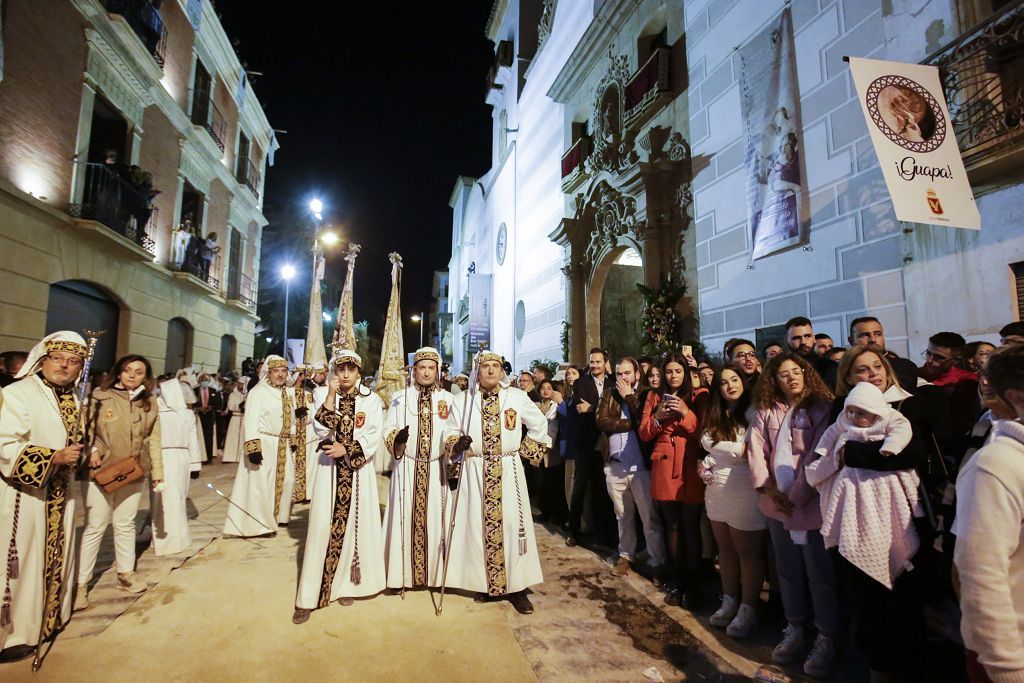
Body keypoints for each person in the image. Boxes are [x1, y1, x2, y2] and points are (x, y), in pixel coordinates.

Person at [807, 379, 928, 681]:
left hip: (890, 512)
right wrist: (828, 459)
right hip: (853, 509)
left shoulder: (894, 417)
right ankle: (876, 668)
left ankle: (902, 667)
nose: (859, 418)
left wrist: (882, 451)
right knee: (867, 606)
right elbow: (828, 446)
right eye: (854, 412)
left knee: (897, 607)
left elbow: (903, 441)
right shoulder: (842, 423)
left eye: (865, 413)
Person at [747, 352, 839, 676]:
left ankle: (826, 635)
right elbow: (756, 449)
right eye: (783, 374)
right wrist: (769, 490)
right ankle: (795, 626)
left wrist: (798, 494)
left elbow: (819, 453)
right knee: (786, 571)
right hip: (777, 505)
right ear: (774, 380)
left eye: (796, 371)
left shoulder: (821, 408)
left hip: (811, 504)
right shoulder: (766, 410)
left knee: (820, 574)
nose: (792, 378)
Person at [442, 350, 551, 615]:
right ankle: (486, 583)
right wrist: (458, 443)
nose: (490, 371)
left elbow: (539, 424)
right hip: (476, 468)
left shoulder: (516, 397)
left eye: (495, 366)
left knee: (514, 527)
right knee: (478, 526)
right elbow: (450, 431)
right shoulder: (463, 400)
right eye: (485, 366)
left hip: (508, 469)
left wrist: (522, 455)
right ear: (477, 370)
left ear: (502, 370)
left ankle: (517, 588)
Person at [0, 332, 87, 661]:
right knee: (22, 563)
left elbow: (75, 440)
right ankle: (15, 635)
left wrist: (89, 452)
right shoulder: (18, 393)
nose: (65, 366)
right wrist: (52, 457)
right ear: (42, 359)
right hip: (25, 496)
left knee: (56, 556)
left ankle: (49, 619)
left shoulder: (75, 397)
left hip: (62, 494)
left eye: (74, 361)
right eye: (58, 358)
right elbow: (5, 443)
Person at [293, 350, 385, 623]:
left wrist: (347, 448)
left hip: (357, 471)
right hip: (329, 471)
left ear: (358, 372)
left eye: (350, 370)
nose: (345, 375)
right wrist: (332, 396)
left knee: (356, 527)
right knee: (323, 527)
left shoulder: (372, 400)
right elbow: (321, 429)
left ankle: (347, 583)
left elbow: (373, 434)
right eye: (340, 369)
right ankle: (310, 595)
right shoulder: (322, 396)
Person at [954, 345, 1024, 683]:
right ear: (1018, 398)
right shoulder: (994, 466)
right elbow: (981, 576)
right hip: (1011, 654)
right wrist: (1008, 670)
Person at [77, 354, 163, 607]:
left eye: (138, 372)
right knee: (95, 526)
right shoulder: (99, 398)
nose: (132, 375)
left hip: (134, 470)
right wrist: (91, 451)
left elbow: (154, 439)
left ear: (146, 377)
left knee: (125, 524)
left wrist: (157, 473)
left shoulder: (149, 402)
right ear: (118, 372)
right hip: (101, 470)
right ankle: (81, 584)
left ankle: (125, 574)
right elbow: (85, 431)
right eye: (127, 370)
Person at [379, 347, 454, 591]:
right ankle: (401, 576)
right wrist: (397, 439)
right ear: (414, 370)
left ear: (437, 371)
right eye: (422, 367)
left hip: (436, 470)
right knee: (404, 521)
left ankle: (435, 576)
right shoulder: (401, 398)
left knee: (436, 521)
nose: (426, 372)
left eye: (431, 368)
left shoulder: (448, 400)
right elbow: (387, 429)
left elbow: (453, 431)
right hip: (407, 469)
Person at [699, 366, 766, 638]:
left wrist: (715, 451)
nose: (730, 385)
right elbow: (707, 442)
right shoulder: (716, 413)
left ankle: (748, 608)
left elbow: (748, 451)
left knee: (748, 551)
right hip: (716, 490)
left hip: (746, 488)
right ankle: (729, 600)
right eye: (724, 382)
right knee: (724, 548)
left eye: (735, 380)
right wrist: (707, 463)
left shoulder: (755, 413)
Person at [639, 353, 710, 608]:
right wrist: (658, 415)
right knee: (672, 527)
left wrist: (684, 412)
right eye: (668, 371)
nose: (673, 376)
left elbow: (704, 431)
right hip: (664, 464)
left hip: (689, 466)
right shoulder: (653, 396)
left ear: (685, 373)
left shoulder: (700, 394)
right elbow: (644, 433)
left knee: (690, 527)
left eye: (678, 371)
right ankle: (676, 581)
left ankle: (693, 586)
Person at [596, 358, 665, 582]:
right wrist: (628, 424)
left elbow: (645, 422)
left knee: (649, 517)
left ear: (637, 373)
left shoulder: (646, 394)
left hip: (641, 467)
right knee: (622, 514)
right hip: (615, 465)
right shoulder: (609, 393)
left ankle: (657, 561)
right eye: (619, 373)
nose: (623, 378)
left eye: (627, 373)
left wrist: (629, 398)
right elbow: (602, 421)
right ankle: (626, 555)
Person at [223, 355, 296, 538]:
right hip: (264, 443)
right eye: (276, 371)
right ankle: (260, 526)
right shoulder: (258, 392)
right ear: (268, 373)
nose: (280, 375)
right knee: (261, 486)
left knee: (286, 481)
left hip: (282, 444)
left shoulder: (286, 392)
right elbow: (251, 420)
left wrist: (292, 439)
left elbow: (291, 419)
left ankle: (278, 517)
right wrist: (253, 447)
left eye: (283, 371)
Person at [567, 348, 616, 548]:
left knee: (602, 490)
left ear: (605, 363)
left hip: (606, 443)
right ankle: (574, 532)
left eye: (598, 361)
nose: (595, 365)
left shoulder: (613, 383)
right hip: (585, 443)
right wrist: (602, 409)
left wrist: (593, 408)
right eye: (592, 362)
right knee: (579, 489)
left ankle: (603, 533)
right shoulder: (580, 383)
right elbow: (581, 409)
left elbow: (613, 410)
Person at [152, 379, 201, 557]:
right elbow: (193, 441)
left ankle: (170, 539)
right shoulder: (186, 414)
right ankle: (173, 539)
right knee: (175, 498)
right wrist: (195, 464)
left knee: (169, 499)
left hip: (165, 457)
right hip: (180, 457)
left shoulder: (157, 412)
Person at [919, 332, 978, 438]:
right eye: (928, 353)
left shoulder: (967, 381)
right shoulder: (914, 375)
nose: (930, 360)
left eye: (938, 357)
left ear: (956, 360)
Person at [844, 317, 919, 393]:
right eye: (865, 335)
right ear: (851, 340)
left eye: (878, 334)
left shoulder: (904, 366)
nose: (873, 339)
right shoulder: (844, 369)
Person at [534, 379, 568, 525]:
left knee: (554, 482)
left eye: (549, 388)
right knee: (541, 482)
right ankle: (545, 511)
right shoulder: (535, 406)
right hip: (538, 447)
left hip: (552, 449)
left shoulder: (557, 406)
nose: (546, 391)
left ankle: (557, 514)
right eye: (543, 388)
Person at [194, 373, 222, 464]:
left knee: (208, 437)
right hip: (199, 416)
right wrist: (198, 408)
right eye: (202, 380)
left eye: (206, 380)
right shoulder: (195, 391)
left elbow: (218, 403)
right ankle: (199, 456)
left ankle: (208, 458)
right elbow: (192, 402)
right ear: (199, 381)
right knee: (198, 436)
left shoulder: (213, 390)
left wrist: (211, 407)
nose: (204, 382)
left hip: (209, 416)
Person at [220, 379, 245, 463]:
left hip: (244, 418)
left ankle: (240, 457)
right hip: (235, 417)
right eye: (239, 383)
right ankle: (230, 457)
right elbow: (230, 406)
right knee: (232, 438)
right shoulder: (233, 395)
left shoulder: (249, 395)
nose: (239, 385)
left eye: (242, 384)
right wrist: (240, 405)